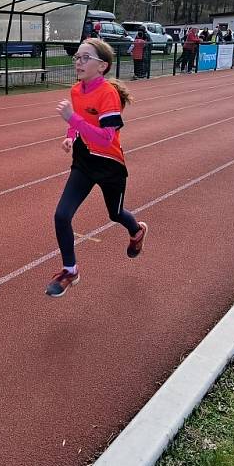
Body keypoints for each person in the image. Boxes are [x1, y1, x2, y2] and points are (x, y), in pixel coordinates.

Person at [47, 38, 148, 297]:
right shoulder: (75, 91)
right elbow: (77, 125)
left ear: (101, 66)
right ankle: (70, 270)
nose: (78, 62)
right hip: (83, 162)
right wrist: (70, 134)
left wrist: (74, 119)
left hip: (110, 165)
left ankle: (136, 230)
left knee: (115, 214)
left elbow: (106, 137)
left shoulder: (108, 95)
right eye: (76, 57)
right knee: (61, 216)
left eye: (84, 58)